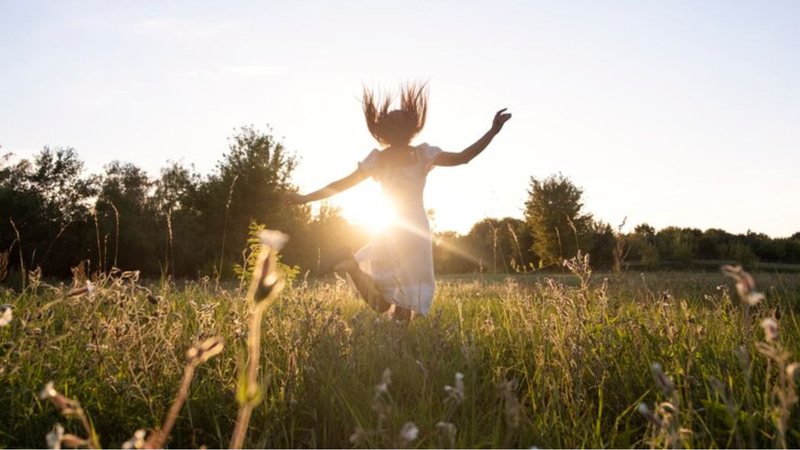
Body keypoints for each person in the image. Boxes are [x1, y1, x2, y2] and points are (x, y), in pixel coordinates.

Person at [284, 83, 511, 320]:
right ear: (411, 128)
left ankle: (351, 267)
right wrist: (492, 131)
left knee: (388, 300)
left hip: (390, 229)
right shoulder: (423, 154)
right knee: (405, 294)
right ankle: (358, 277)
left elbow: (342, 185)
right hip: (415, 230)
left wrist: (306, 198)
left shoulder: (378, 159)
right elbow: (465, 157)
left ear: (384, 132)